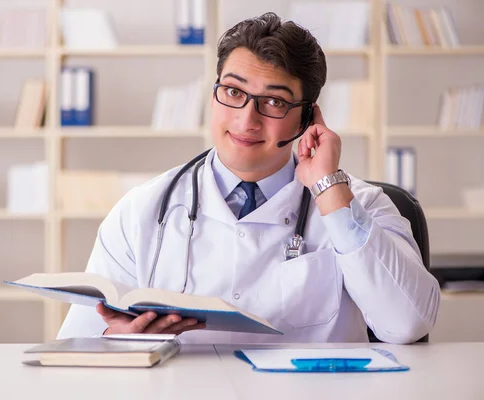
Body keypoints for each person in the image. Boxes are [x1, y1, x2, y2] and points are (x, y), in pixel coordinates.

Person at [57, 12, 440, 344]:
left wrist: (329, 190)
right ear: (213, 96)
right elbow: (78, 342)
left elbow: (407, 324)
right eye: (233, 92)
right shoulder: (142, 210)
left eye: (273, 101)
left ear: (307, 118)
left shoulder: (361, 204)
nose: (246, 120)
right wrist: (114, 340)